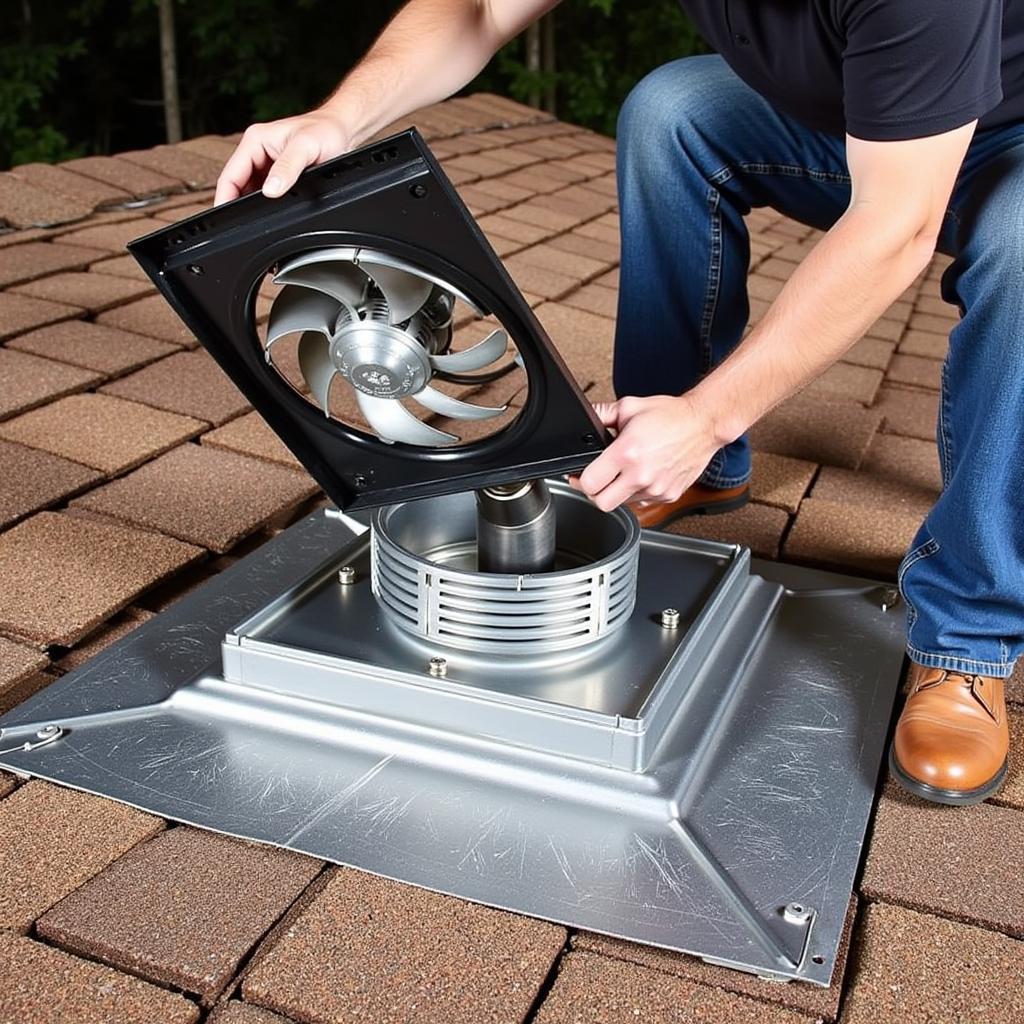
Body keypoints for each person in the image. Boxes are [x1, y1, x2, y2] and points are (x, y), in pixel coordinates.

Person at [216, 0, 1023, 807]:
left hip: (1002, 140)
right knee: (673, 112)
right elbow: (478, 11)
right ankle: (676, 464)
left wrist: (714, 412)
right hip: (861, 117)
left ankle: (969, 637)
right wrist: (337, 119)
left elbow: (897, 224)